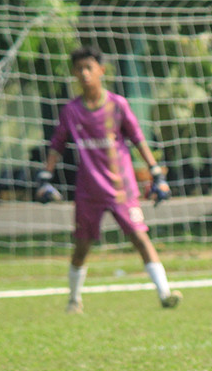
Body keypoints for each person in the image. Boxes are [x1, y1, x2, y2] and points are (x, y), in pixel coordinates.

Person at [36, 45, 181, 315]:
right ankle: (74, 300)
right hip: (88, 190)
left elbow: (139, 138)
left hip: (122, 188)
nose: (84, 73)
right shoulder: (71, 111)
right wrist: (45, 177)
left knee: (140, 237)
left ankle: (165, 293)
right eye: (79, 69)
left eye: (89, 67)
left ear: (101, 70)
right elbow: (57, 145)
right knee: (82, 246)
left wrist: (156, 173)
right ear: (74, 73)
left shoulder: (118, 105)